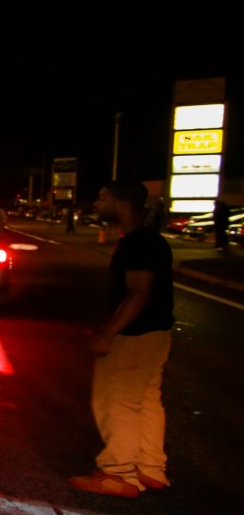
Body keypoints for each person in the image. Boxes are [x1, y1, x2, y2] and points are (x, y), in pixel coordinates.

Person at [69, 181, 175, 497]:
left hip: (134, 335)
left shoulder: (138, 243)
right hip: (155, 334)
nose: (96, 204)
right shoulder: (147, 239)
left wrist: (109, 334)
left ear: (122, 203)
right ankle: (151, 468)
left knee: (117, 401)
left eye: (102, 198)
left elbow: (139, 293)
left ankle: (119, 473)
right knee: (145, 401)